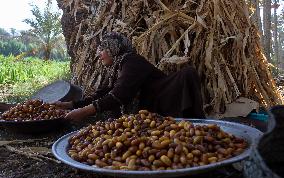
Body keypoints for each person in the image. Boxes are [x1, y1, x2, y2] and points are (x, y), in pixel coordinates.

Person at [55, 32, 205, 122]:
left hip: (164, 105)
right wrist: (72, 105)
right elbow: (103, 94)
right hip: (151, 110)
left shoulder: (131, 61)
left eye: (102, 49)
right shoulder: (117, 67)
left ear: (113, 48)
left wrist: (83, 112)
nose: (98, 54)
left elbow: (120, 95)